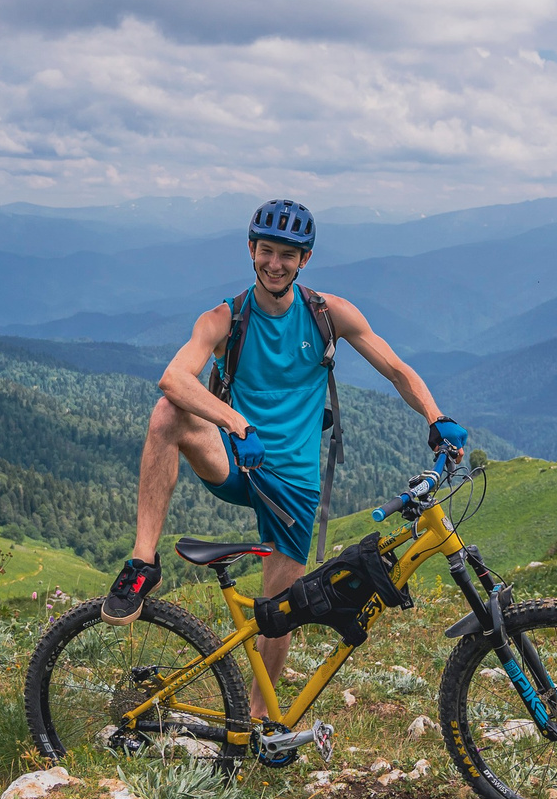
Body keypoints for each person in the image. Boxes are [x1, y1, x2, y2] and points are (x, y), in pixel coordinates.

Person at [101, 198, 467, 722]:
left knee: (280, 613)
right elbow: (173, 378)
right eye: (266, 251)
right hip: (236, 457)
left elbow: (396, 369)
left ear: (305, 260)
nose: (275, 263)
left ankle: (259, 722)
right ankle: (142, 563)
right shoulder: (224, 319)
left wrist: (435, 415)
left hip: (293, 481)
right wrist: (235, 423)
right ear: (251, 251)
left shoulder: (328, 314)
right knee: (166, 414)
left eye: (287, 255)